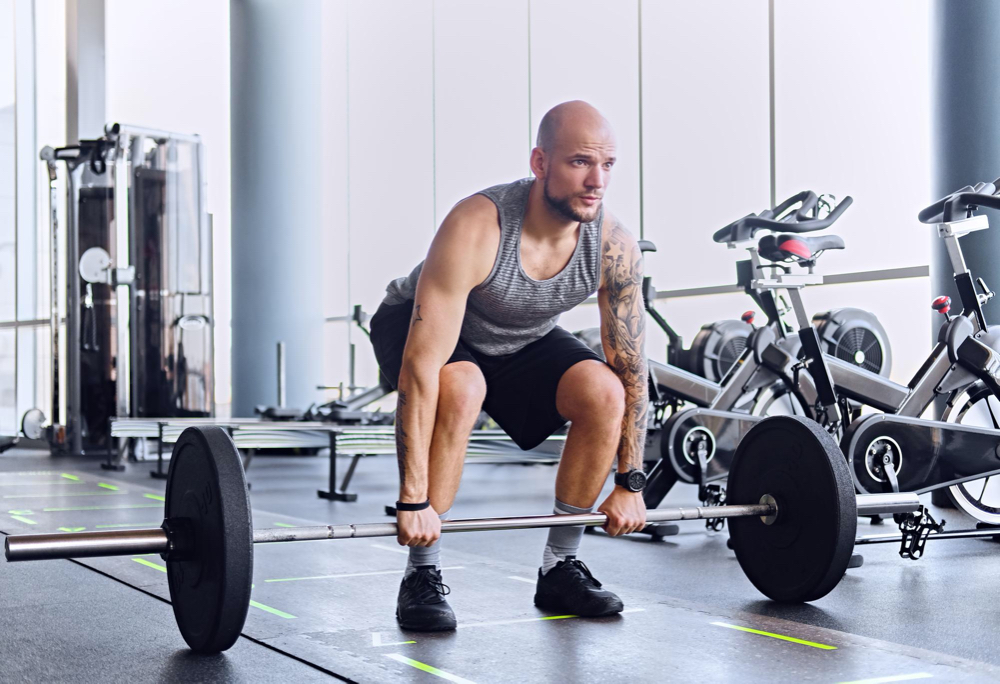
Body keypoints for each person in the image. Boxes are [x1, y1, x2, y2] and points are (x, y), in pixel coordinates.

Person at [369, 100, 649, 632]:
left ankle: (560, 566)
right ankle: (421, 572)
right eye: (580, 162)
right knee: (462, 383)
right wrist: (413, 500)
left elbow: (632, 369)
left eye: (608, 165)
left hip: (520, 336)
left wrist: (630, 482)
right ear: (539, 163)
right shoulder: (479, 224)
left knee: (604, 391)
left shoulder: (613, 245)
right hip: (416, 325)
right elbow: (423, 369)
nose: (597, 181)